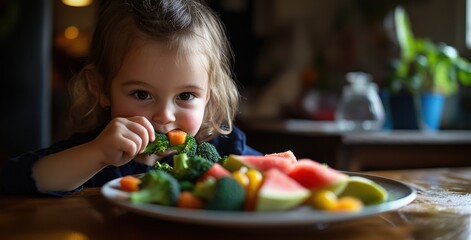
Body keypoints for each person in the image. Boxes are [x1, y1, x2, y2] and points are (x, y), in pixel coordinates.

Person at [0, 0, 261, 196]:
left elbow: (276, 178)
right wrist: (97, 154)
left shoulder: (225, 149)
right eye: (142, 94)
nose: (164, 116)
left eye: (186, 95)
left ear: (209, 96)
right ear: (101, 88)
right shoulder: (96, 152)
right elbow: (13, 180)